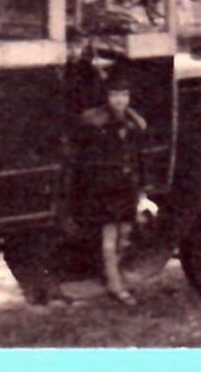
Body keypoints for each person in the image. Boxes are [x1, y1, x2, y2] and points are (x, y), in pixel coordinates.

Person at [72, 64, 147, 306]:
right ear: (107, 97)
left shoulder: (134, 124)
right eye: (115, 95)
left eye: (124, 95)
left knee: (124, 236)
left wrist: (140, 189)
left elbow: (137, 158)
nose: (119, 100)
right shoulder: (95, 124)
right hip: (104, 189)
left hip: (126, 187)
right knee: (108, 238)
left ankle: (112, 273)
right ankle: (116, 285)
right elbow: (88, 160)